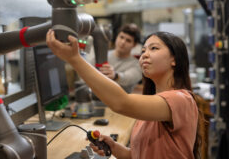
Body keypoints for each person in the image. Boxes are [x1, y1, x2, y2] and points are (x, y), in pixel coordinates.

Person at [46, 30, 204, 159]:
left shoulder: (181, 99)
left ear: (174, 60)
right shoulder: (151, 110)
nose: (144, 55)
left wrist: (75, 59)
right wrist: (114, 147)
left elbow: (121, 103)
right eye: (143, 51)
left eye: (154, 48)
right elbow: (137, 155)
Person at [97, 23, 142, 93]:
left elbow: (128, 78)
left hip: (120, 103)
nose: (123, 42)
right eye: (121, 37)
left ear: (134, 45)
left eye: (128, 40)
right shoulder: (101, 55)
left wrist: (115, 75)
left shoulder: (137, 65)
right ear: (117, 37)